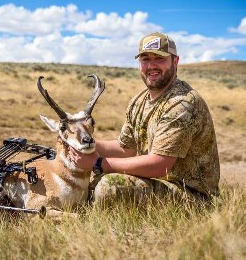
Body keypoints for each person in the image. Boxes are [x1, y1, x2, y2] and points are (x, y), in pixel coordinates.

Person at [69, 32, 220, 204]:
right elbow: (126, 149)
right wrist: (79, 144)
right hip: (157, 183)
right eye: (145, 59)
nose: (151, 66)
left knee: (109, 185)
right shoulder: (138, 101)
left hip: (191, 196)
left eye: (159, 58)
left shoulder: (182, 103)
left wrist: (98, 163)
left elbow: (160, 164)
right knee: (91, 180)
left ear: (175, 61)